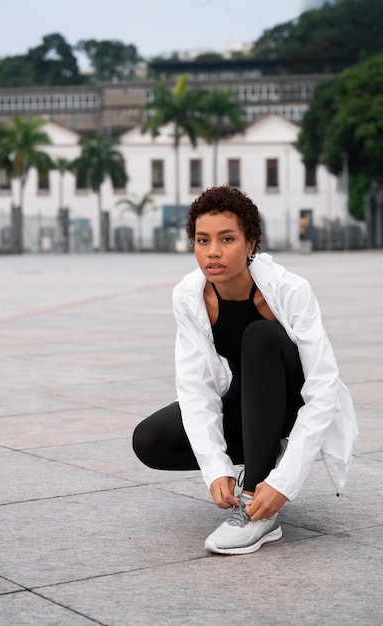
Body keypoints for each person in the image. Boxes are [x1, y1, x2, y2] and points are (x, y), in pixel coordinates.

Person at [133, 185, 358, 555]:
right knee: (151, 441)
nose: (213, 251)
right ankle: (265, 454)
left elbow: (323, 387)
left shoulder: (290, 290)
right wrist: (215, 467)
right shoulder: (189, 297)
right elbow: (196, 387)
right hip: (249, 399)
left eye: (227, 239)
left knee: (260, 336)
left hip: (293, 402)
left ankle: (256, 503)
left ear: (252, 243)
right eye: (202, 240)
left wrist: (283, 483)